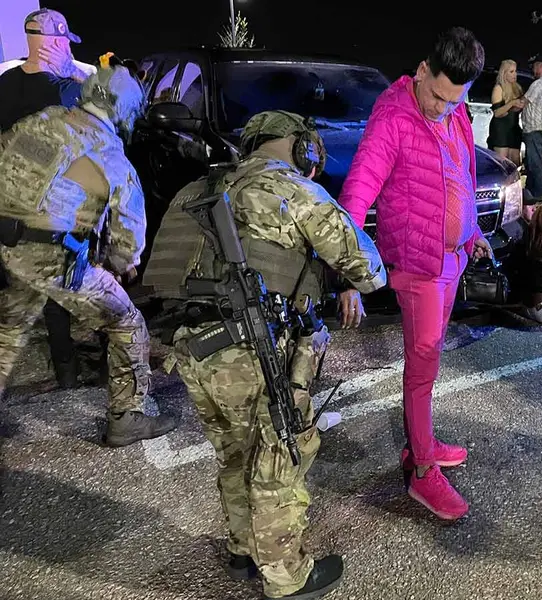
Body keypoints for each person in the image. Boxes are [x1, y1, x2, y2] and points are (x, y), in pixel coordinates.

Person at [144, 111, 386, 599]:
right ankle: (286, 575)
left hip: (192, 350)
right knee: (278, 457)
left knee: (234, 452)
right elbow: (370, 270)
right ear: (302, 148)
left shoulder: (194, 191)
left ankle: (243, 550)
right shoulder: (294, 191)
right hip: (253, 350)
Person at [338, 27, 491, 521]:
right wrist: (349, 271)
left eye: (455, 101)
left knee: (429, 361)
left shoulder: (456, 109)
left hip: (452, 259)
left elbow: (461, 173)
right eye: (438, 97)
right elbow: (358, 191)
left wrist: (472, 231)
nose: (443, 109)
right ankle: (422, 471)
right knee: (422, 363)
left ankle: (419, 443)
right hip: (419, 264)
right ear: (423, 70)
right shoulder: (393, 118)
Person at [0, 64, 177, 447]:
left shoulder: (40, 122)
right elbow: (128, 239)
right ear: (124, 111)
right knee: (127, 323)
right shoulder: (109, 154)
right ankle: (127, 418)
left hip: (9, 247)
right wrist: (118, 263)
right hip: (55, 259)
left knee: (7, 330)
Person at [0, 8, 91, 389]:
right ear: (54, 41)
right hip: (52, 209)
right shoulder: (67, 89)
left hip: (9, 208)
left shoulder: (5, 83)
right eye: (65, 41)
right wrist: (75, 73)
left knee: (15, 296)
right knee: (56, 295)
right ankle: (67, 372)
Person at [521, 54, 542, 202]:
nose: (533, 70)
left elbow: (523, 102)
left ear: (541, 66)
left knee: (534, 164)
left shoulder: (539, 84)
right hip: (541, 127)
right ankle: (532, 192)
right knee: (536, 162)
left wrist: (508, 106)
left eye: (534, 66)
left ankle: (536, 195)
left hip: (534, 129)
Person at [487, 59, 526, 166]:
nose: (515, 74)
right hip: (501, 129)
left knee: (515, 162)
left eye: (515, 71)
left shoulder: (517, 88)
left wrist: (520, 105)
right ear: (504, 73)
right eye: (511, 71)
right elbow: (497, 113)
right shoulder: (498, 88)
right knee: (502, 163)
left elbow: (515, 110)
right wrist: (512, 103)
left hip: (513, 128)